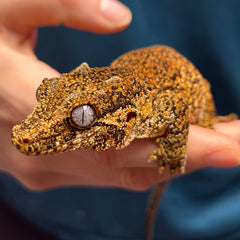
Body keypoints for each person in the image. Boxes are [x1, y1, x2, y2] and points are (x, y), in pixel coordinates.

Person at [0, 0, 240, 239]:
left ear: (127, 116)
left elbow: (175, 104)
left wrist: (174, 148)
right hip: (28, 217)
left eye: (81, 117)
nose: (29, 131)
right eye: (44, 96)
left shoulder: (150, 113)